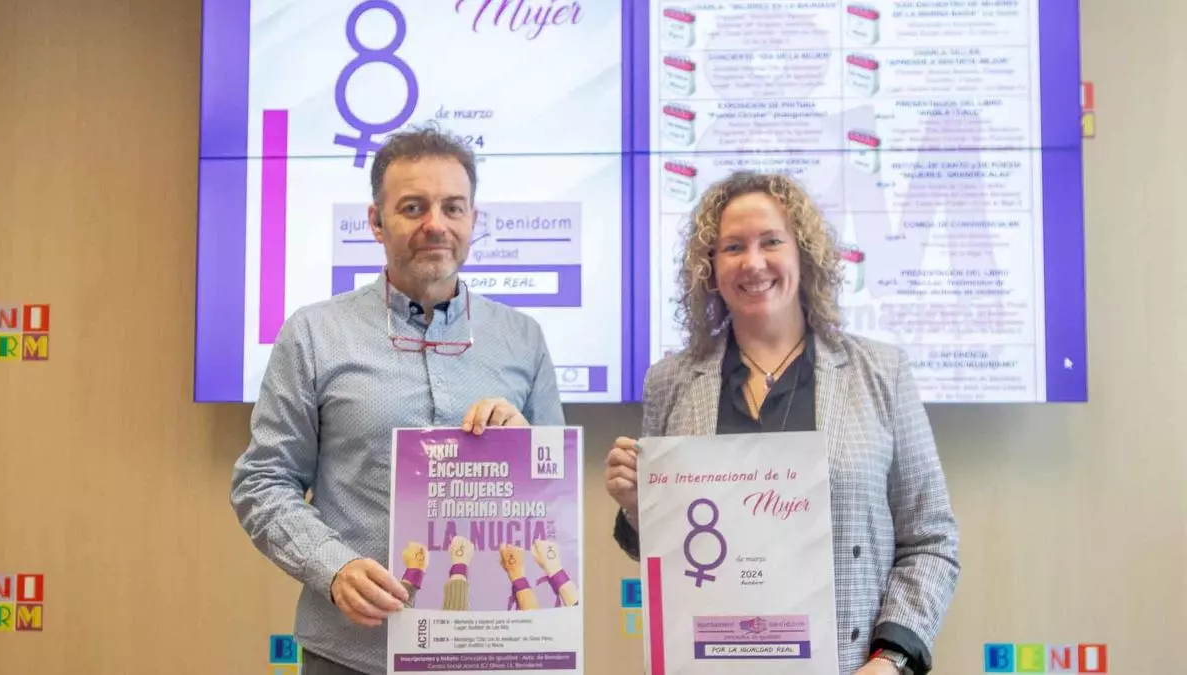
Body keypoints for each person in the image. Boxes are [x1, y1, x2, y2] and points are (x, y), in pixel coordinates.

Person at [230, 126, 565, 675]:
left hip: (492, 650)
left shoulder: (523, 339)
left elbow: (553, 500)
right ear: (376, 222)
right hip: (352, 653)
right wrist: (333, 568)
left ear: (473, 219)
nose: (436, 224)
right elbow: (262, 481)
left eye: (452, 207)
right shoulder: (313, 334)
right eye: (413, 207)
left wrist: (526, 450)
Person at [604, 170, 960, 675]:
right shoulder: (670, 382)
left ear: (804, 255)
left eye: (771, 241)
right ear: (710, 268)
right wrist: (640, 508)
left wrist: (891, 658)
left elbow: (931, 539)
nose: (753, 263)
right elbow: (667, 557)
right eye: (732, 247)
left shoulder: (881, 372)